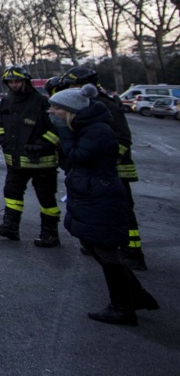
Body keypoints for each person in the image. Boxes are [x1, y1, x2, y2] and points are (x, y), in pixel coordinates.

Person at [48, 84, 158, 325]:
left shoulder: (96, 130)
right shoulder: (85, 127)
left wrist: (64, 134)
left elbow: (78, 157)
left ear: (70, 110)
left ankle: (122, 307)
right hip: (90, 193)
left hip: (99, 195)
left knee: (106, 251)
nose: (51, 112)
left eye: (56, 108)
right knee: (95, 245)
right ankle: (136, 296)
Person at [61, 66, 146, 271]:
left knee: (122, 212)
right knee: (97, 211)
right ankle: (100, 245)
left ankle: (132, 252)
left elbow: (123, 138)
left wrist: (109, 160)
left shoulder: (105, 105)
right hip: (94, 171)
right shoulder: (86, 105)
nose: (71, 89)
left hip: (113, 171)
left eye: (73, 85)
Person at [0, 66, 61, 246]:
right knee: (12, 193)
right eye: (11, 82)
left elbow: (56, 128)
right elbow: (1, 124)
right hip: (15, 160)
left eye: (17, 81)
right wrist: (3, 139)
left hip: (41, 162)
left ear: (25, 81)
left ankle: (50, 233)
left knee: (46, 198)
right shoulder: (6, 101)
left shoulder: (41, 102)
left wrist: (42, 144)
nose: (14, 85)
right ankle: (10, 227)